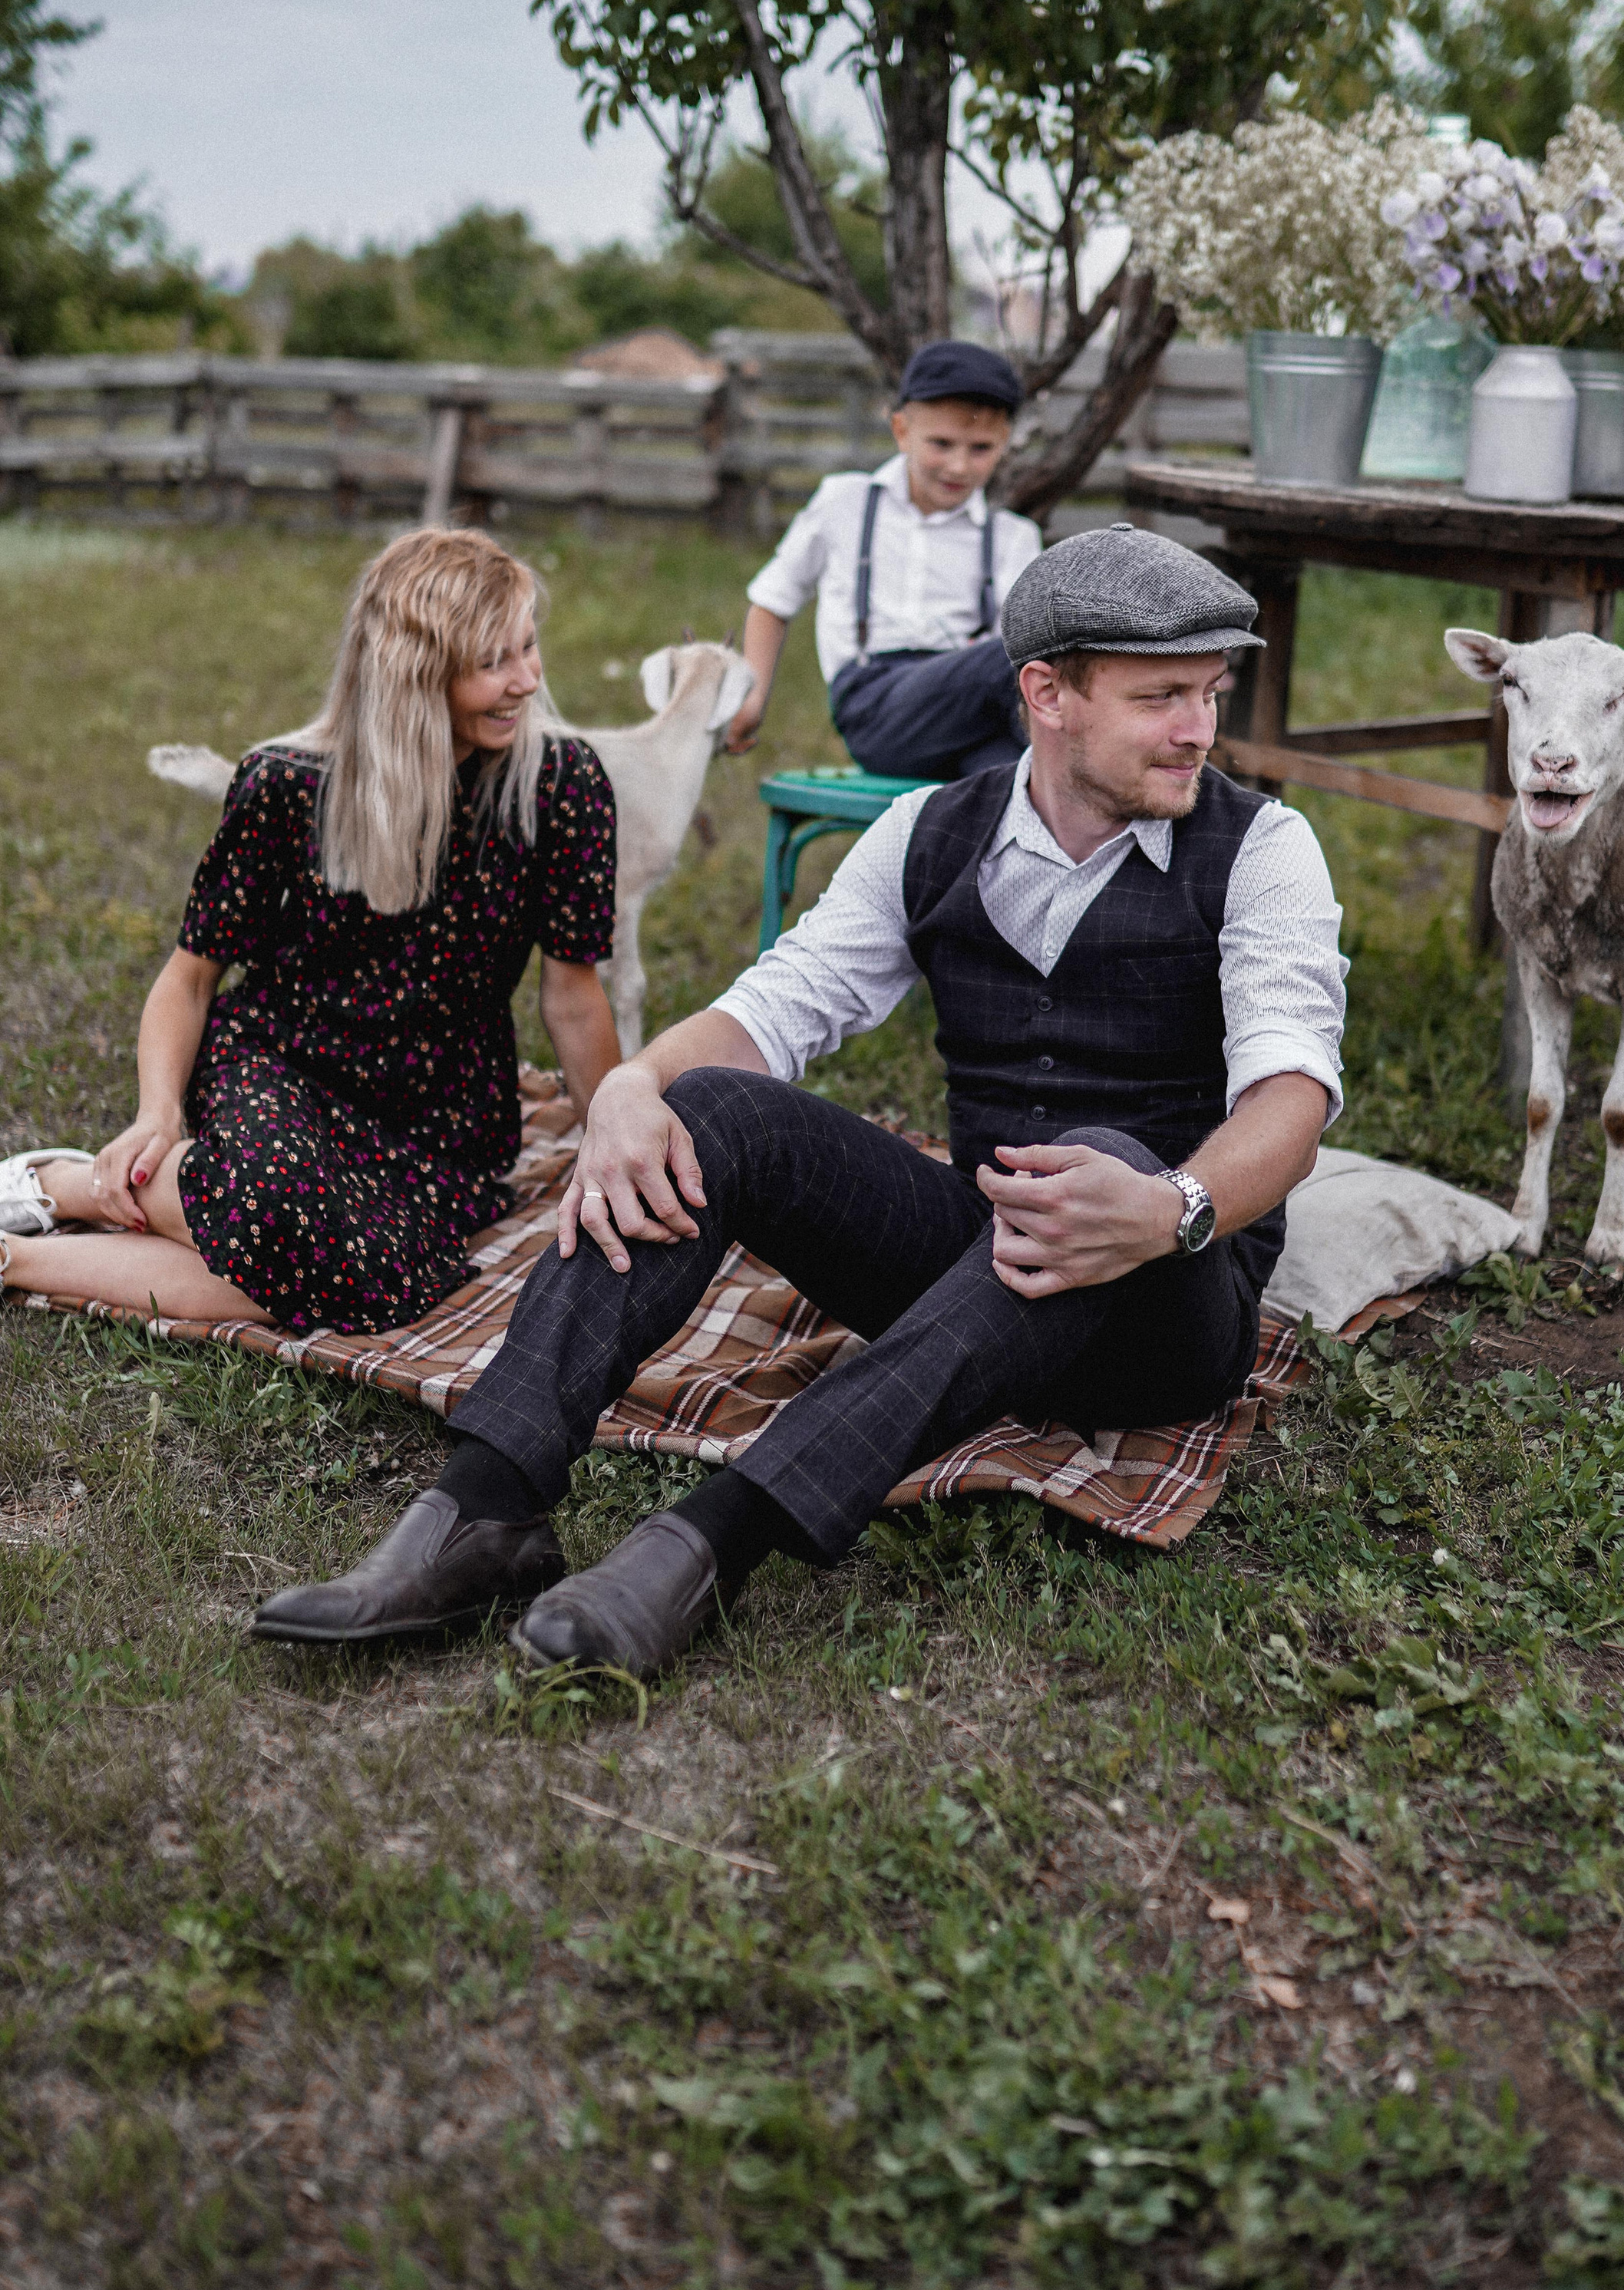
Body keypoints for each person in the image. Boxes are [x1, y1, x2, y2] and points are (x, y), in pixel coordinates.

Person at [251, 525, 1346, 1671]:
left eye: (1210, 694)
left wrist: (1168, 1207)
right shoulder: (930, 832)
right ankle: (486, 1509)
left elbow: (1290, 1099)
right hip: (983, 1255)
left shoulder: (1265, 848)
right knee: (710, 1106)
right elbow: (781, 1006)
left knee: (1091, 1157)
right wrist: (629, 1087)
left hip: (1170, 1298)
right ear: (1048, 693)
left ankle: (712, 1541)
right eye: (1161, 696)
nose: (1199, 730)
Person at [0, 528, 621, 1334]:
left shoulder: (562, 788)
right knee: (271, 1216)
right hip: (283, 1067)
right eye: (493, 662)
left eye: (529, 648)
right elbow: (191, 977)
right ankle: (71, 1186)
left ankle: (28, 1241)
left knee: (352, 1276)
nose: (527, 681)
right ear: (416, 675)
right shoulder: (289, 787)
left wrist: (614, 1151)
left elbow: (573, 999)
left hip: (442, 1116)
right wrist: (159, 1112)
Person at [722, 336, 1042, 781]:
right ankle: (1092, 765)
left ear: (1004, 442)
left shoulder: (1013, 537)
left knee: (1012, 783)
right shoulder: (844, 502)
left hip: (976, 716)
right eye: (942, 444)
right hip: (877, 709)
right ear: (901, 432)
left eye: (980, 449)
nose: (958, 467)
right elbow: (773, 601)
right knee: (1015, 657)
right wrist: (751, 700)